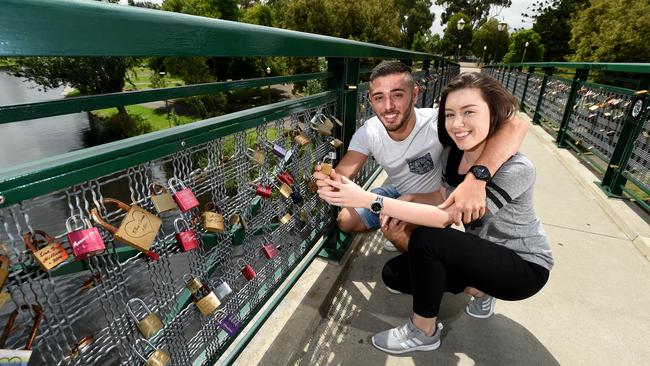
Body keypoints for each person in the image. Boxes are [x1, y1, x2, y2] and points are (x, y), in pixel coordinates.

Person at [316, 72, 554, 354]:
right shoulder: (454, 154)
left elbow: (445, 217)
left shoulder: (517, 168)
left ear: (494, 113)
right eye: (450, 114)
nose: (458, 123)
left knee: (427, 240)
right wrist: (410, 198)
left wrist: (370, 199)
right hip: (479, 253)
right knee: (395, 275)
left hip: (523, 268)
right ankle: (478, 289)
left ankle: (423, 331)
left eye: (469, 113)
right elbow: (441, 196)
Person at [314, 61, 528, 251]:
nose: (388, 106)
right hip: (398, 192)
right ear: (370, 101)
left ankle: (418, 255)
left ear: (414, 94)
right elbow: (342, 174)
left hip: (434, 200)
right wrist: (326, 180)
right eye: (379, 98)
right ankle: (397, 224)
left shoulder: (439, 122)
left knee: (398, 231)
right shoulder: (368, 132)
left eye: (398, 95)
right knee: (346, 221)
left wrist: (476, 177)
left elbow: (516, 125)